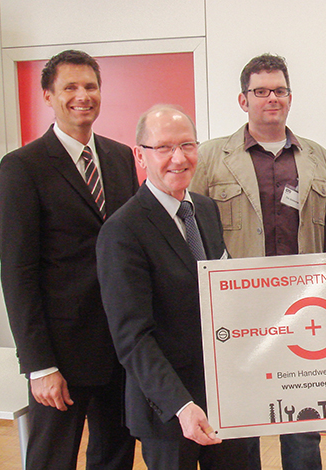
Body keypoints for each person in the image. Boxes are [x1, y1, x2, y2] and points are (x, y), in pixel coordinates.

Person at [189, 53, 326, 470]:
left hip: (303, 311)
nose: (272, 98)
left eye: (279, 90)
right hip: (238, 313)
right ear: (243, 99)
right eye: (261, 91)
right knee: (241, 422)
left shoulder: (318, 157)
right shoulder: (210, 157)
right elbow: (191, 230)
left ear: (290, 97)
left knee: (304, 422)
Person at [0, 50, 137, 470]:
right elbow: (17, 272)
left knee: (115, 455)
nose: (82, 96)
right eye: (69, 87)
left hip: (119, 346)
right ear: (48, 96)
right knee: (51, 459)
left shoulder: (119, 157)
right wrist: (39, 365)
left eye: (90, 86)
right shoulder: (22, 167)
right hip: (61, 352)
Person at [96, 105, 255, 469]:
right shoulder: (122, 231)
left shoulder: (206, 210)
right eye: (164, 147)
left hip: (224, 398)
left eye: (187, 145)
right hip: (168, 412)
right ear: (140, 155)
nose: (179, 158)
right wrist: (181, 405)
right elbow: (132, 338)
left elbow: (224, 293)